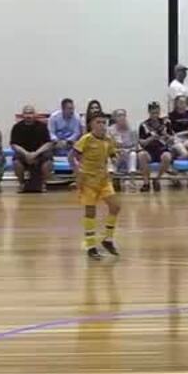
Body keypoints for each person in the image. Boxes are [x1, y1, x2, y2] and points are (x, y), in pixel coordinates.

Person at [73, 113, 122, 261]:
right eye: (98, 122)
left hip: (104, 179)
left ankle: (108, 240)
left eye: (104, 123)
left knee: (115, 206)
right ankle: (91, 246)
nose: (102, 125)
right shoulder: (86, 139)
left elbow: (112, 154)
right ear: (92, 125)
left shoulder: (108, 139)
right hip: (88, 181)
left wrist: (116, 159)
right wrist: (78, 172)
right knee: (90, 212)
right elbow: (73, 155)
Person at [11, 105, 53, 192]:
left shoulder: (42, 126)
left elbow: (48, 143)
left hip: (39, 154)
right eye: (26, 113)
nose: (28, 115)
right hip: (24, 154)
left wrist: (35, 154)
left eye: (30, 113)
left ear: (34, 114)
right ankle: (21, 184)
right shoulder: (17, 127)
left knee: (48, 162)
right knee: (16, 162)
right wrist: (26, 154)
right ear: (23, 115)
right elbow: (14, 145)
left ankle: (43, 184)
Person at [137, 102, 174, 192]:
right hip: (149, 150)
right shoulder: (144, 125)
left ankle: (157, 179)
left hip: (162, 149)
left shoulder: (166, 123)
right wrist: (151, 138)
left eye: (157, 113)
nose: (155, 115)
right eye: (153, 113)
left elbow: (172, 140)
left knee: (167, 157)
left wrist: (166, 136)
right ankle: (146, 183)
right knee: (142, 155)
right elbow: (142, 142)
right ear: (149, 112)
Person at [109, 109, 141, 190]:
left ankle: (132, 181)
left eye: (123, 115)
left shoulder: (132, 130)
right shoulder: (110, 130)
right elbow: (108, 146)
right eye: (119, 115)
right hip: (116, 153)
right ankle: (111, 181)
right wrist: (116, 150)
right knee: (110, 156)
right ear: (115, 118)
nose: (122, 117)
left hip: (128, 153)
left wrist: (129, 150)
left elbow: (136, 146)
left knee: (133, 154)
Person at [50, 98, 83, 172]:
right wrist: (56, 140)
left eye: (73, 108)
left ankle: (76, 167)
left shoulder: (76, 117)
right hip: (57, 142)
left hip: (71, 142)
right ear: (63, 109)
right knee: (48, 146)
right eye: (69, 109)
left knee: (79, 146)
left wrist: (68, 141)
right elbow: (51, 132)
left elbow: (76, 133)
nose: (72, 111)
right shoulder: (54, 117)